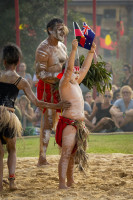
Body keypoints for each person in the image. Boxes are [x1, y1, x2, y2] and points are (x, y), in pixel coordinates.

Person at [0, 43, 70, 191]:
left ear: (4, 61)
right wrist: (57, 106)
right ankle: (12, 181)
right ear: (18, 62)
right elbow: (37, 102)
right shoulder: (22, 81)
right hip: (10, 116)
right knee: (12, 149)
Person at [55, 39, 96, 189]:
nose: (77, 72)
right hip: (69, 123)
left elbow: (85, 68)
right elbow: (69, 69)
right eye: (74, 71)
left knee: (72, 154)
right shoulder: (64, 83)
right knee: (66, 153)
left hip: (79, 124)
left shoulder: (76, 83)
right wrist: (73, 50)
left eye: (77, 71)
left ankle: (70, 180)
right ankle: (61, 183)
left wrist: (91, 52)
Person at [35, 18, 69, 166]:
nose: (63, 32)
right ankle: (42, 157)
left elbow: (66, 67)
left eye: (63, 28)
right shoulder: (43, 48)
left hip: (61, 87)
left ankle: (66, 152)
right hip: (48, 87)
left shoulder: (63, 46)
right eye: (59, 29)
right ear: (50, 30)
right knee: (48, 122)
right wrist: (59, 78)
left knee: (65, 118)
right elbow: (40, 74)